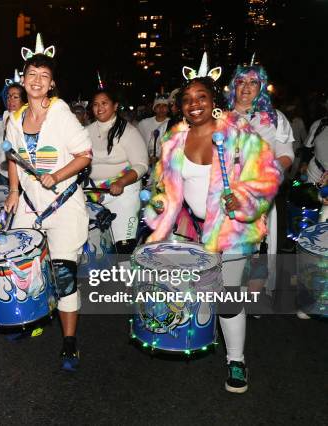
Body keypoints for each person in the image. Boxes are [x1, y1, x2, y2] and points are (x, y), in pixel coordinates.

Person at [144, 54, 280, 393]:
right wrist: (157, 224)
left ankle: (236, 360)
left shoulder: (237, 132)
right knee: (194, 290)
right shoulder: (174, 140)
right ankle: (190, 335)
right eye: (187, 99)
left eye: (201, 97)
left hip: (232, 229)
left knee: (228, 296)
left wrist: (244, 198)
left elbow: (270, 173)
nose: (194, 104)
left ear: (214, 100)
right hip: (190, 229)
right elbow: (165, 191)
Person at [4, 34, 92, 371]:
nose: (37, 81)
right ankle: (33, 317)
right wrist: (13, 191)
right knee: (22, 266)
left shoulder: (61, 112)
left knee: (63, 273)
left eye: (44, 76)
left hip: (65, 205)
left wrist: (56, 176)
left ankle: (69, 341)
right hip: (29, 203)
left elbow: (85, 155)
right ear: (22, 79)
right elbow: (12, 156)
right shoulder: (14, 118)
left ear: (51, 82)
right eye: (31, 75)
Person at [226, 60, 295, 294]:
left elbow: (287, 155)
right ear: (233, 86)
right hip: (226, 194)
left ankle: (251, 296)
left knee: (257, 246)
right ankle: (229, 292)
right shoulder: (220, 117)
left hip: (260, 194)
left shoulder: (275, 118)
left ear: (262, 87)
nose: (246, 87)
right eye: (241, 82)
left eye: (253, 82)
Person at [86, 89, 148, 253]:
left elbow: (141, 165)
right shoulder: (86, 132)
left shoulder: (128, 131)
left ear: (115, 106)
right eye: (95, 104)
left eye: (104, 103)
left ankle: (127, 276)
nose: (99, 108)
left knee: (124, 244)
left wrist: (120, 182)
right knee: (94, 243)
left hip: (123, 192)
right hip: (93, 192)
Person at [137, 94, 170, 163]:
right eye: (158, 106)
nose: (161, 108)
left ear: (168, 109)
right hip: (145, 163)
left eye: (164, 106)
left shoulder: (172, 124)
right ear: (154, 108)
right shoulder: (143, 123)